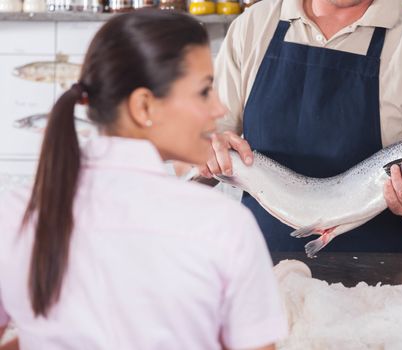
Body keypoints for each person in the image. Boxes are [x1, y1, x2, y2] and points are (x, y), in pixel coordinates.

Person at [0, 10, 287, 350]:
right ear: (143, 107)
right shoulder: (225, 228)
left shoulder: (13, 214)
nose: (219, 110)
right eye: (204, 91)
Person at [201, 0, 402, 253]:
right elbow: (199, 153)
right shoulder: (253, 25)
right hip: (262, 272)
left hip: (381, 285)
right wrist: (206, 155)